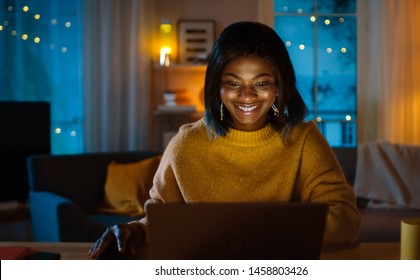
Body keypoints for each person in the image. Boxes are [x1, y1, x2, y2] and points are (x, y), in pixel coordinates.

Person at [88, 21, 361, 259]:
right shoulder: (186, 145)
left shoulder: (304, 141)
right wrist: (134, 231)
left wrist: (253, 236)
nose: (247, 95)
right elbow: (159, 221)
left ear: (279, 87)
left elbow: (346, 220)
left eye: (261, 83)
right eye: (233, 83)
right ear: (217, 87)